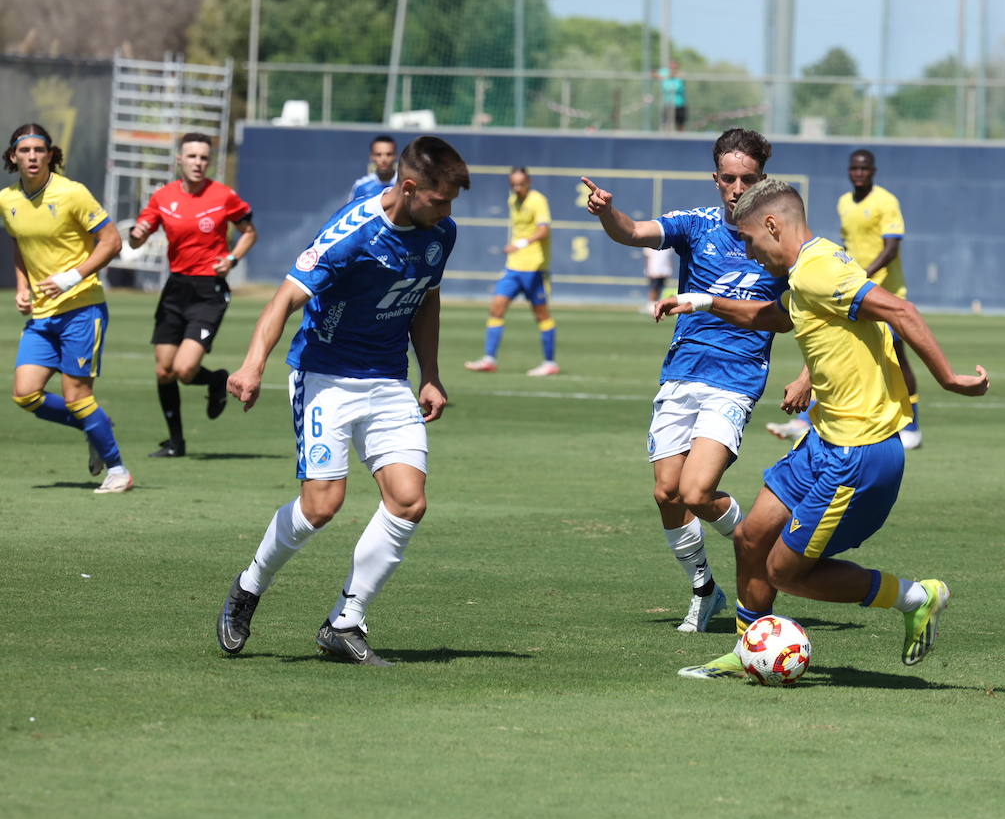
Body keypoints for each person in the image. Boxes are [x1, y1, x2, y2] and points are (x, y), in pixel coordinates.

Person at [662, 179, 988, 680]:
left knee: (783, 572)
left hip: (859, 455)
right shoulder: (809, 269)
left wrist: (949, 379)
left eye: (749, 241)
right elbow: (774, 316)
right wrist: (702, 303)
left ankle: (917, 597)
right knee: (750, 537)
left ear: (772, 226)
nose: (749, 253)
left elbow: (899, 309)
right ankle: (749, 648)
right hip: (822, 442)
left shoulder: (819, 270)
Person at [215, 135, 469, 666]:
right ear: (409, 187)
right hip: (324, 376)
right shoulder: (351, 235)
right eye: (440, 200)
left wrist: (432, 374)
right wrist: (253, 365)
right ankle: (249, 585)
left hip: (387, 381)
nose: (448, 212)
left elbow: (425, 296)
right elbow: (284, 297)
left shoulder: (439, 232)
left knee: (409, 501)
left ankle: (344, 622)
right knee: (321, 507)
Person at [581, 128, 800, 634]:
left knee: (698, 492)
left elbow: (812, 311)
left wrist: (808, 372)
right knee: (666, 493)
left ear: (762, 179)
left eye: (748, 178)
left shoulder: (781, 240)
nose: (737, 187)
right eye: (728, 178)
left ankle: (759, 541)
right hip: (682, 373)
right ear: (715, 178)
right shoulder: (695, 225)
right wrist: (605, 212)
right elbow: (633, 231)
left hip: (736, 377)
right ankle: (705, 591)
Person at [3, 122, 133, 493]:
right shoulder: (7, 199)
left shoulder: (72, 193)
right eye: (24, 151)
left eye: (39, 150)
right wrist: (23, 286)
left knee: (78, 396)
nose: (32, 157)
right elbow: (19, 244)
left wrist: (72, 276)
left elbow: (111, 242)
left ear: (50, 155)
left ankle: (118, 471)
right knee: (25, 394)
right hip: (43, 314)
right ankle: (97, 425)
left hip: (82, 309)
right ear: (13, 156)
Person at [768, 149, 924, 450]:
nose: (859, 173)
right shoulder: (844, 203)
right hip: (849, 293)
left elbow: (891, 249)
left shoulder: (885, 202)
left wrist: (862, 276)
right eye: (854, 168)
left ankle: (913, 427)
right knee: (834, 352)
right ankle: (809, 420)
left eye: (864, 169)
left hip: (883, 292)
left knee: (898, 359)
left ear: (873, 171)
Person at [129, 132, 257, 457]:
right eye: (192, 156)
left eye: (204, 157)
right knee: (163, 370)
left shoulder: (224, 195)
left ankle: (216, 380)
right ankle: (176, 442)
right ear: (179, 160)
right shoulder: (163, 197)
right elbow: (135, 240)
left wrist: (231, 258)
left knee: (185, 370)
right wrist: (138, 234)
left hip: (208, 292)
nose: (198, 163)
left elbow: (249, 232)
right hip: (175, 289)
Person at [464, 167, 559, 376]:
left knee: (541, 315)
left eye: (520, 184)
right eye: (513, 184)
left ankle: (550, 362)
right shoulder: (512, 200)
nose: (517, 188)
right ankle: (489, 359)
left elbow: (544, 230)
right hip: (513, 267)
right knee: (497, 307)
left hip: (534, 267)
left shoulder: (537, 200)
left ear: (529, 182)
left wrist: (521, 243)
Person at [347, 135, 398, 202]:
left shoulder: (405, 184)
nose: (384, 159)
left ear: (396, 156)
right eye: (378, 154)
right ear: (372, 157)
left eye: (389, 154)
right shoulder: (361, 186)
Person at [642, 244, 675, 314]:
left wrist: (669, 269)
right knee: (653, 288)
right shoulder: (650, 244)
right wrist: (649, 269)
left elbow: (669, 257)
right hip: (654, 270)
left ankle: (656, 304)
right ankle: (651, 305)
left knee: (660, 288)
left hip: (664, 270)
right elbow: (647, 257)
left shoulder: (668, 245)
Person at [658, 60, 687, 132]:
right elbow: (653, 73)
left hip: (679, 104)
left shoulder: (680, 74)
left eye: (674, 65)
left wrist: (675, 75)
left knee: (680, 124)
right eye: (671, 65)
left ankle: (680, 139)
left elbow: (682, 77)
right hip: (668, 104)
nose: (672, 67)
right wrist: (669, 76)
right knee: (666, 123)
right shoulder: (664, 73)